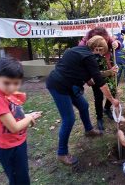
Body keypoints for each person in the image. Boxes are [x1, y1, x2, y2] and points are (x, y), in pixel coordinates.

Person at [46, 35, 119, 165]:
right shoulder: (89, 57)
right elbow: (99, 82)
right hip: (59, 85)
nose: (102, 55)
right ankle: (62, 153)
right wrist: (112, 100)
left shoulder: (76, 50)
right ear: (97, 48)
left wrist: (106, 73)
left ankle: (89, 129)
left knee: (84, 105)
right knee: (69, 119)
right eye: (102, 52)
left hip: (70, 84)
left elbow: (86, 74)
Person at [0, 57, 42, 185]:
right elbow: (13, 127)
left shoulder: (7, 93)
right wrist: (29, 118)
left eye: (16, 83)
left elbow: (13, 115)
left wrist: (28, 115)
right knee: (19, 181)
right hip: (9, 148)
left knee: (23, 177)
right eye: (7, 83)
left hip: (18, 143)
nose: (12, 87)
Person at [79, 27, 120, 131]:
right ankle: (99, 117)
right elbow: (84, 68)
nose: (99, 51)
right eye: (96, 48)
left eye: (103, 45)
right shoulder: (83, 45)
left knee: (113, 90)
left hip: (108, 68)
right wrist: (88, 78)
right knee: (98, 96)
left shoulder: (106, 38)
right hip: (94, 74)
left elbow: (118, 45)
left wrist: (117, 43)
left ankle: (107, 109)